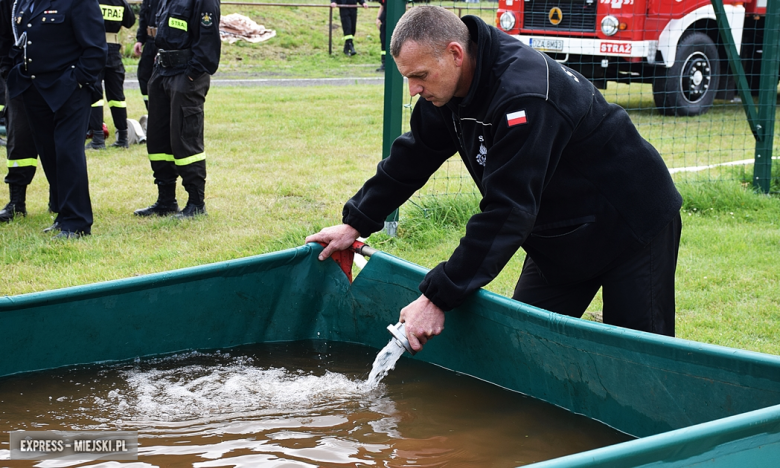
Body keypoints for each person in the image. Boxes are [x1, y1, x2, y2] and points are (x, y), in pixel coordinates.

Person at [306, 6, 683, 352]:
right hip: (560, 231)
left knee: (638, 356)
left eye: (419, 76)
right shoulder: (446, 89)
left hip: (632, 223)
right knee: (522, 349)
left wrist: (437, 298)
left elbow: (508, 211)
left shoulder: (524, 96)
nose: (414, 90)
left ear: (455, 54)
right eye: (408, 78)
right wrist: (355, 222)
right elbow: (414, 155)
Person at [5, 0, 107, 239]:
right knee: (49, 152)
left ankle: (77, 222)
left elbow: (96, 50)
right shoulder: (27, 3)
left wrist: (77, 80)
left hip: (69, 88)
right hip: (35, 88)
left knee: (67, 152)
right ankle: (64, 214)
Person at [134, 0, 221, 219]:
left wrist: (192, 73)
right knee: (158, 139)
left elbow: (208, 40)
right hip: (162, 72)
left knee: (185, 139)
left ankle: (195, 203)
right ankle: (165, 201)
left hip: (186, 75)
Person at [0, 0, 43, 223]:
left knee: (58, 142)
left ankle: (60, 199)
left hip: (55, 75)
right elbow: (5, 35)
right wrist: (7, 70)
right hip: (19, 76)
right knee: (19, 138)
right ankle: (17, 201)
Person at [86, 0, 136, 150]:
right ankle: (123, 138)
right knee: (117, 97)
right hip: (114, 52)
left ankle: (98, 139)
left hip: (94, 49)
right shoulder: (119, 1)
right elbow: (130, 21)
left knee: (95, 95)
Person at [133, 0, 160, 112]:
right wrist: (140, 40)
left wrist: (161, 49)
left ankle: (161, 113)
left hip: (163, 41)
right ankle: (151, 111)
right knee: (144, 76)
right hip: (150, 41)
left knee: (159, 79)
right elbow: (144, 15)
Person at [375, 0, 386, 71]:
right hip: (384, 21)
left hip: (394, 21)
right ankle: (384, 63)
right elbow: (382, 6)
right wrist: (378, 18)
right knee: (383, 41)